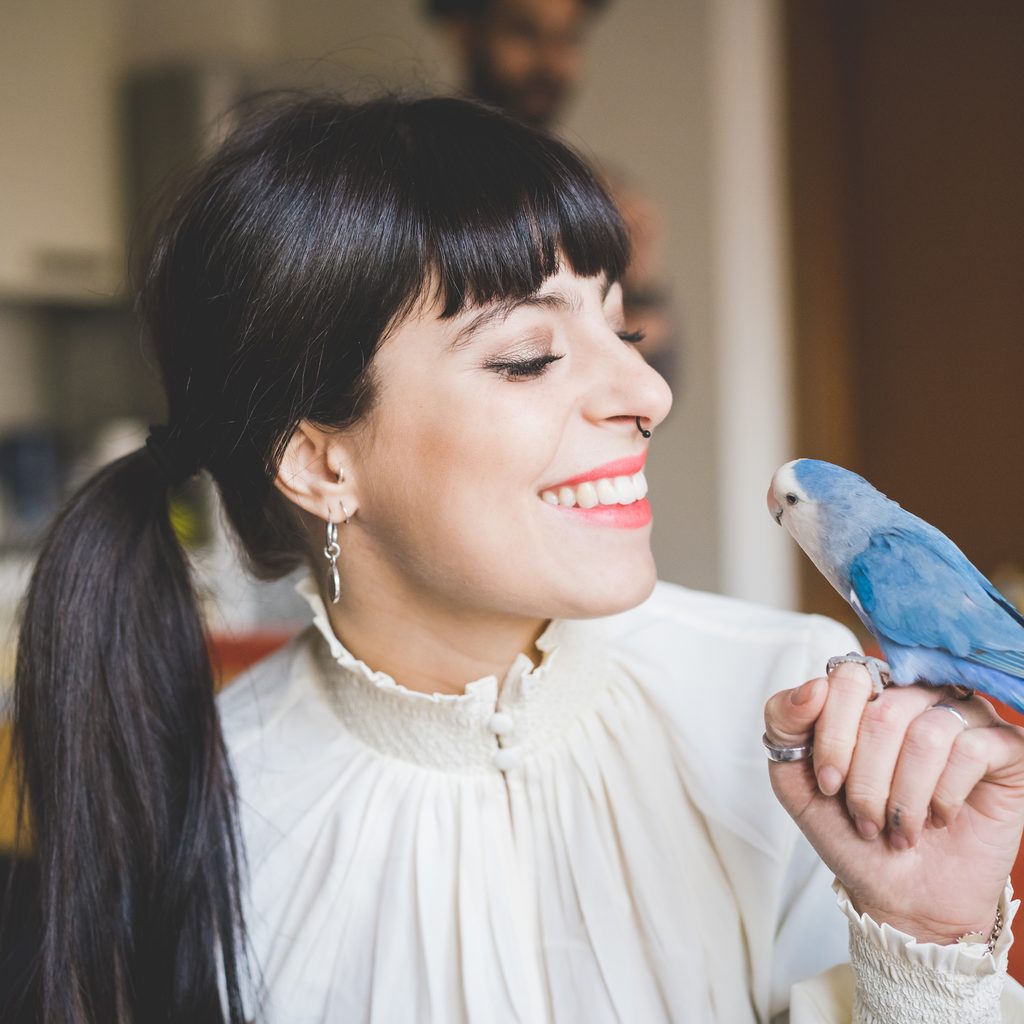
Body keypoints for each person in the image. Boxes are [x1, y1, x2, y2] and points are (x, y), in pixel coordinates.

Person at [11, 94, 1024, 1023]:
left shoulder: (803, 713)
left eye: (622, 327)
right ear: (320, 463)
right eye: (528, 357)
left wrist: (926, 944)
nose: (649, 394)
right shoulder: (202, 807)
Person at [426, 0, 679, 386]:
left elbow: (658, 374)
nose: (552, 62)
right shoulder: (414, 182)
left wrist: (641, 281)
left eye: (568, 38)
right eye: (525, 33)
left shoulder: (598, 189)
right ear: (463, 30)